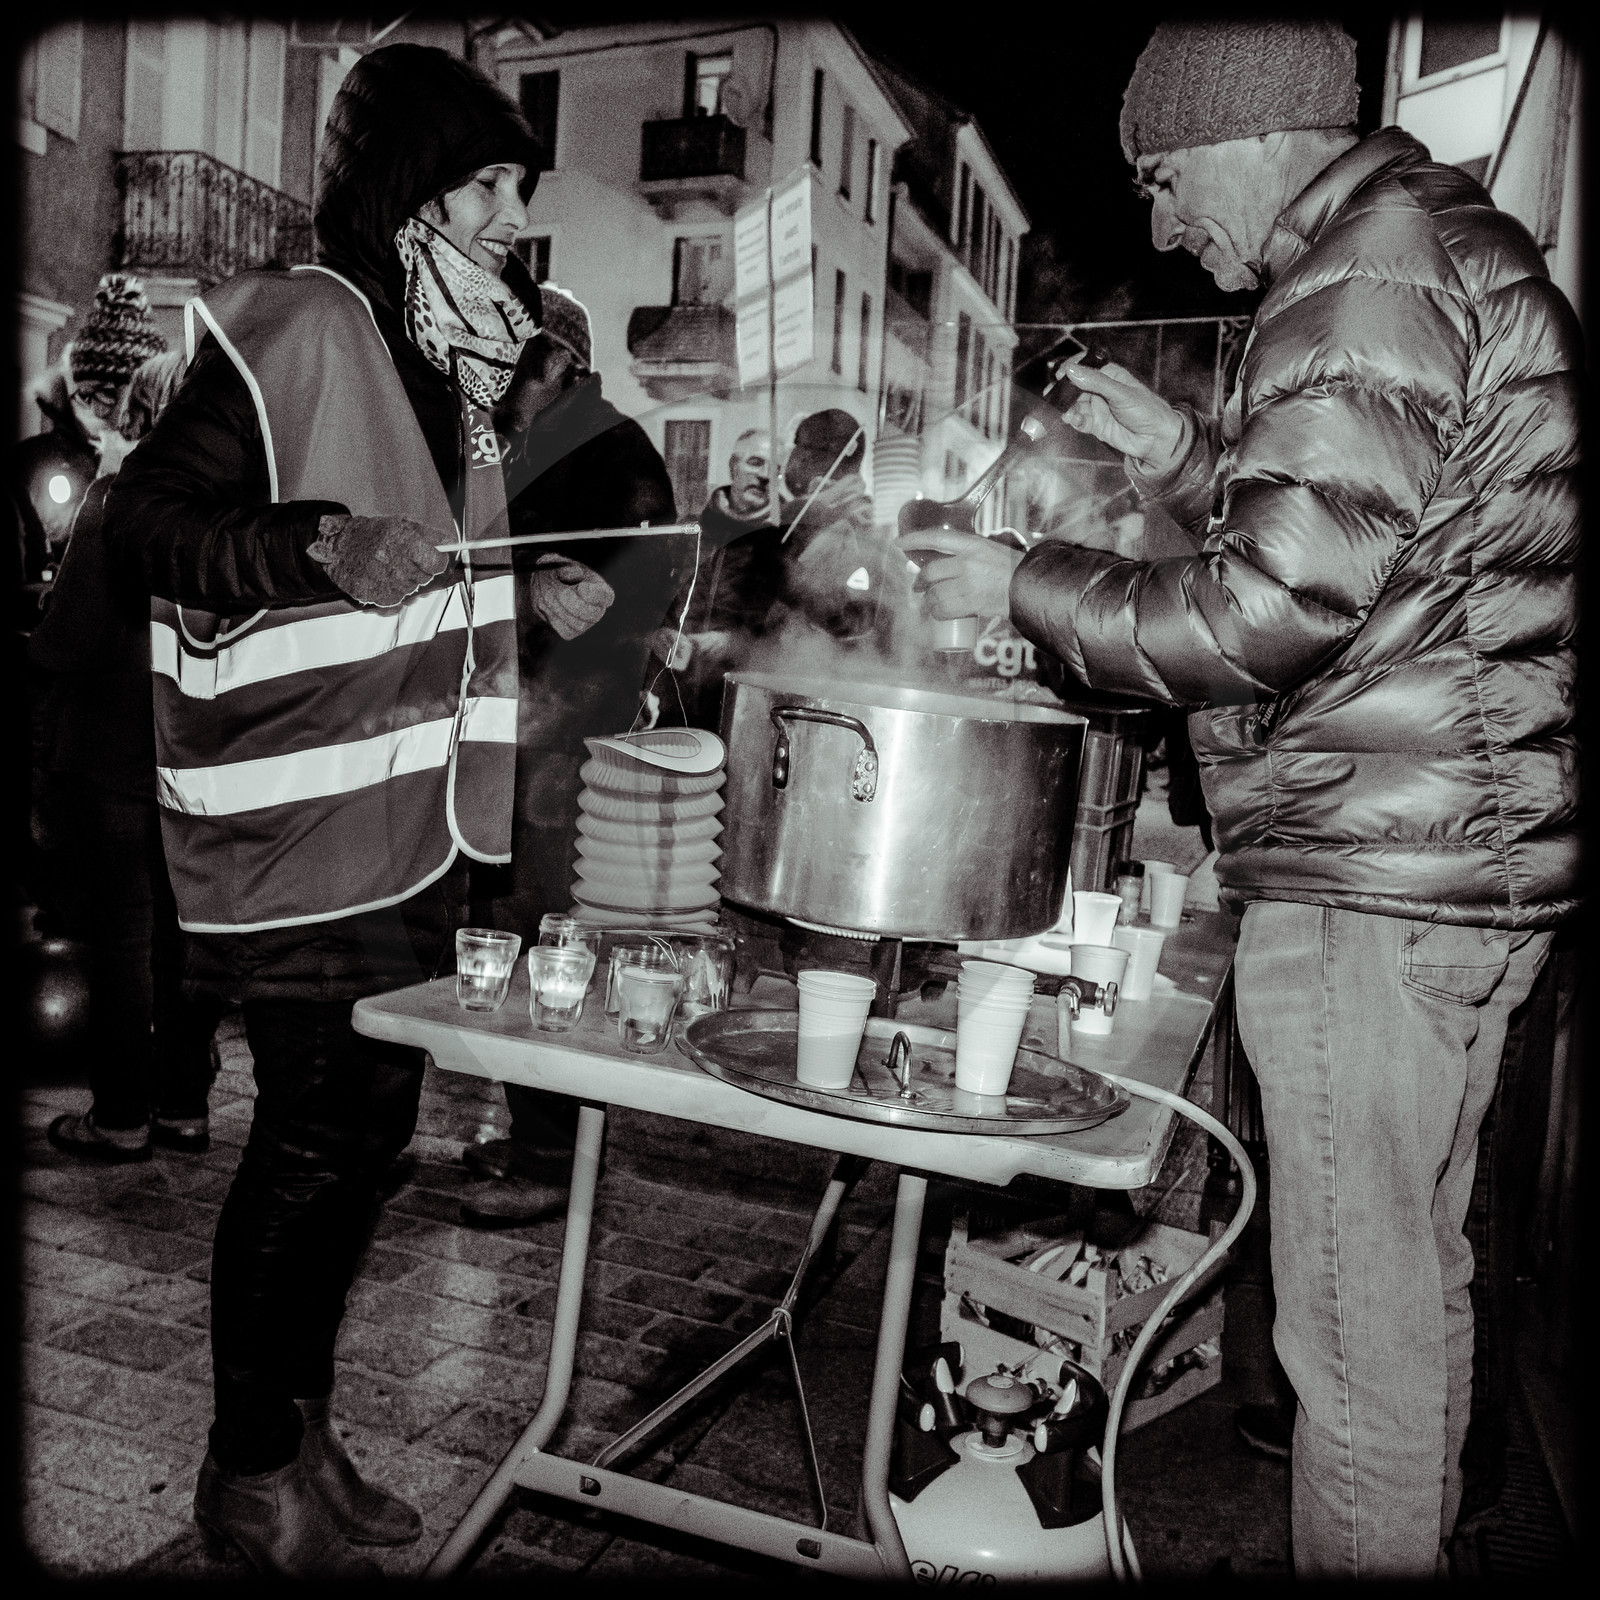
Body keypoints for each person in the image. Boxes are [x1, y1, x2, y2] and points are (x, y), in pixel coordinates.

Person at [916, 19, 1579, 1580]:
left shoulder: (1366, 272)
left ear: (1254, 130)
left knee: (1352, 1336)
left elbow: (1267, 612)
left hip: (1371, 874)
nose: (1160, 227)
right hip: (1450, 856)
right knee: (1413, 1290)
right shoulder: (1432, 249)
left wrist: (1023, 580)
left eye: (1162, 178)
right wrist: (1191, 460)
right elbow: (1400, 549)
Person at [103, 44, 612, 1576]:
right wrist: (316, 545)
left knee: (369, 1133)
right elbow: (146, 526)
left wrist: (527, 590)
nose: (512, 217)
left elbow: (432, 571)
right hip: (297, 830)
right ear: (408, 190)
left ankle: (299, 1428)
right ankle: (248, 1469)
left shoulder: (452, 370)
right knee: (316, 1136)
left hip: (407, 829)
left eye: (518, 187)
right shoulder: (309, 319)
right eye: (486, 184)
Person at [462, 283, 679, 1227]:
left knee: (550, 944)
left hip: (561, 752)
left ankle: (553, 1156)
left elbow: (612, 597)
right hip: (521, 738)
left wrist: (528, 591)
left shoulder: (608, 455)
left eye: (508, 361)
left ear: (556, 362)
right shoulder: (534, 442)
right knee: (515, 938)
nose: (491, 381)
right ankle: (539, 1136)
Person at [32, 348, 227, 1162]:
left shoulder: (116, 500)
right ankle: (183, 1107)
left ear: (140, 416)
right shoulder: (227, 513)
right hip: (199, 754)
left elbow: (69, 641)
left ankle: (119, 1116)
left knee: (120, 940)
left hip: (112, 752)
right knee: (186, 939)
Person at [650, 428, 777, 731]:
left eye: (775, 469)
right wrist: (657, 635)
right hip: (670, 702)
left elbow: (784, 636)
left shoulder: (779, 544)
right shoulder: (688, 532)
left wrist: (734, 644)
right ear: (733, 465)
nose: (764, 476)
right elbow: (650, 602)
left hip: (738, 710)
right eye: (755, 462)